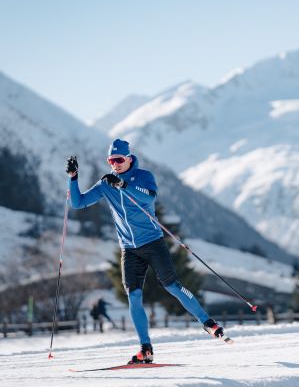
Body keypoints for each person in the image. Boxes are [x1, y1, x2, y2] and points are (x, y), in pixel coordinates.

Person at [66, 139, 224, 364]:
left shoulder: (143, 176)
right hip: (129, 249)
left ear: (129, 158)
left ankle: (208, 323)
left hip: (153, 243)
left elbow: (149, 197)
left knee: (173, 287)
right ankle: (145, 348)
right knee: (134, 297)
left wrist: (123, 186)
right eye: (111, 161)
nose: (115, 164)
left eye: (119, 160)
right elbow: (78, 203)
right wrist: (73, 178)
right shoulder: (105, 185)